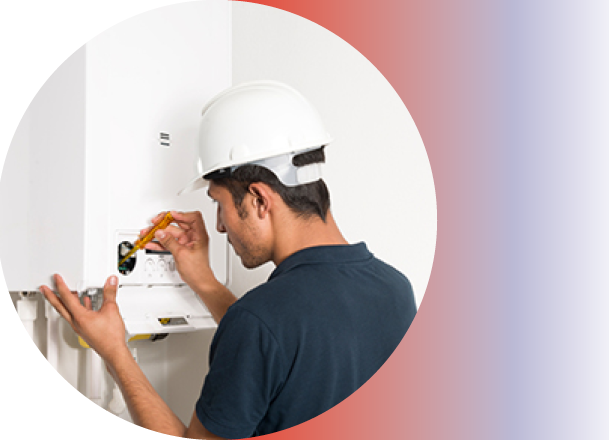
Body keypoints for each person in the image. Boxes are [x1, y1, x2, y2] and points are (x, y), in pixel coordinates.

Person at [40, 81, 417, 439]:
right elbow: (285, 346)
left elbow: (269, 332)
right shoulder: (395, 290)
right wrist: (204, 281)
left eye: (219, 204)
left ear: (258, 199)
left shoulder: (260, 321)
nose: (219, 226)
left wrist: (115, 352)